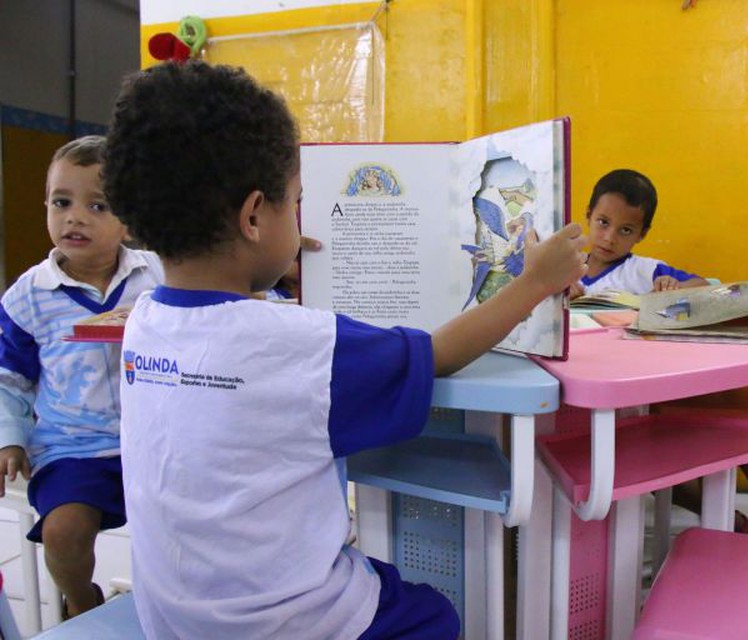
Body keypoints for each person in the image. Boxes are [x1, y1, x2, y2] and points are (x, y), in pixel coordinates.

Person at [102, 60, 587, 640]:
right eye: (295, 202)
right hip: (289, 626)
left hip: (174, 619)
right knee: (436, 615)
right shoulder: (301, 345)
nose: (300, 218)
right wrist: (534, 282)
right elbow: (437, 355)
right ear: (254, 215)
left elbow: (228, 341)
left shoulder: (144, 323)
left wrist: (268, 274)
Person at [0, 135, 164, 618]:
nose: (75, 217)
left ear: (129, 220)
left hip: (154, 438)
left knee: (192, 525)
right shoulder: (28, 296)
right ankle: (82, 602)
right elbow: (9, 377)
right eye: (62, 202)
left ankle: (173, 601)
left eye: (98, 205)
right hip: (70, 446)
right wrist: (9, 438)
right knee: (63, 532)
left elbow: (220, 306)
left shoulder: (158, 275)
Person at [570, 168, 708, 298]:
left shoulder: (645, 270)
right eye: (603, 222)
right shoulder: (565, 269)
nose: (609, 238)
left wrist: (674, 286)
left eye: (625, 230)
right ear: (589, 216)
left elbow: (704, 286)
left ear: (642, 234)